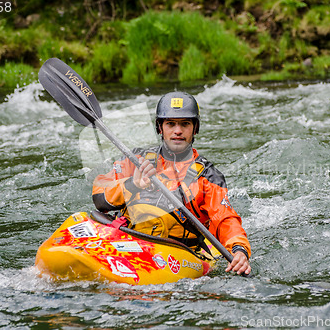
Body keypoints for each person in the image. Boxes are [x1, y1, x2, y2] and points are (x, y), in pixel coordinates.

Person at [92, 91, 251, 275]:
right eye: (170, 124)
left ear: (195, 128)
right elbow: (99, 199)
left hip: (177, 254)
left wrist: (239, 250)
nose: (177, 131)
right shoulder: (136, 160)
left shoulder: (208, 176)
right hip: (128, 240)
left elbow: (225, 219)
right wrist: (131, 184)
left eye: (185, 124)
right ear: (160, 128)